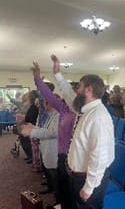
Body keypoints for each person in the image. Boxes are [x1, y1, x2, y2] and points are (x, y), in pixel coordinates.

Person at [53, 56, 115, 209]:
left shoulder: (97, 117)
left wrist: (89, 187)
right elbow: (69, 96)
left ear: (89, 89)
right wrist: (58, 75)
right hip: (79, 176)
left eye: (79, 86)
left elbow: (99, 157)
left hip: (89, 179)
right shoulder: (84, 109)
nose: (76, 89)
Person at [32, 60, 76, 209]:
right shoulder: (63, 109)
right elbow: (49, 96)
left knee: (70, 191)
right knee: (62, 187)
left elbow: (66, 90)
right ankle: (61, 204)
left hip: (72, 157)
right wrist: (38, 79)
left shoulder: (78, 113)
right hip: (61, 155)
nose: (65, 96)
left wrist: (32, 131)